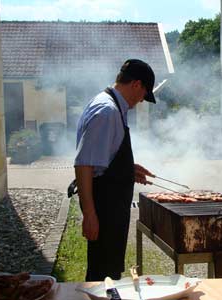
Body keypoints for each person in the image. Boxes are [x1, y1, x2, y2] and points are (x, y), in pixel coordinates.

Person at [74, 59, 156, 281]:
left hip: (111, 208)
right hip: (105, 208)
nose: (141, 101)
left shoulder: (111, 105)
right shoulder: (107, 111)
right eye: (144, 95)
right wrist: (90, 215)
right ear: (137, 84)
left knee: (108, 271)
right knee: (102, 276)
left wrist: (127, 170)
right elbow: (83, 164)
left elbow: (103, 157)